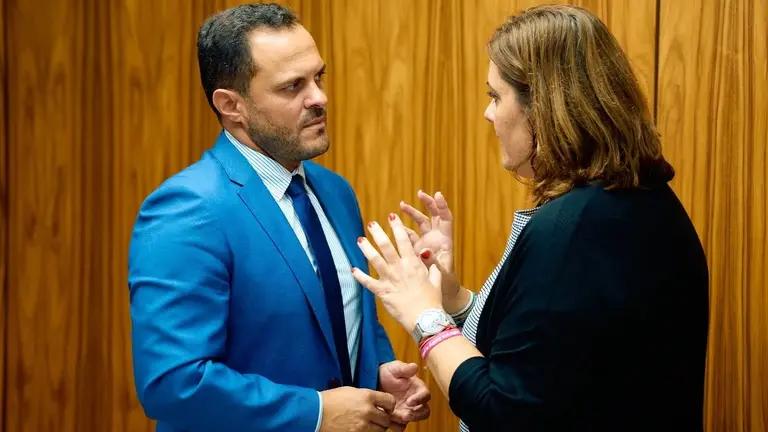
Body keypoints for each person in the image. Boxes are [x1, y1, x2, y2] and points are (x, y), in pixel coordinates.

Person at [351, 5, 709, 432]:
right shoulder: (634, 200)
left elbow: (505, 410)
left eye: (495, 96)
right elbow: (546, 355)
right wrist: (450, 298)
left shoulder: (576, 229)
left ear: (544, 108)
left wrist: (423, 316)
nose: (489, 115)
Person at [127, 3, 430, 432]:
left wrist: (376, 378)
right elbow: (173, 383)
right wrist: (318, 413)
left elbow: (339, 325)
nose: (319, 98)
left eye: (318, 77)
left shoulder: (335, 192)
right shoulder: (186, 210)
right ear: (232, 105)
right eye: (293, 87)